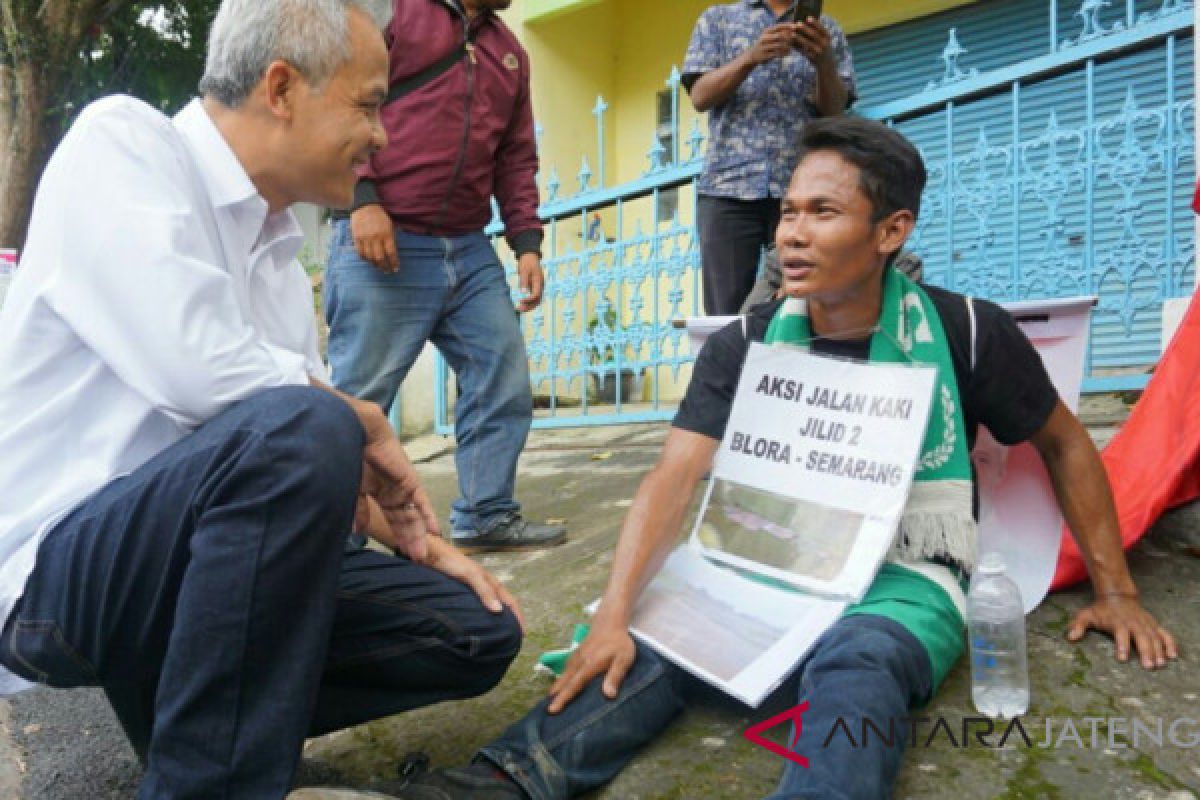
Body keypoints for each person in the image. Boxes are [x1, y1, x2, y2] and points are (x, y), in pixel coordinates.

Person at [379, 117, 1178, 800]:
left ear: (891, 231)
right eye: (788, 211)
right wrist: (615, 614)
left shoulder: (969, 332)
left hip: (903, 579)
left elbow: (1066, 444)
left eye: (823, 212)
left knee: (861, 663)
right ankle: (498, 783)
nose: (791, 233)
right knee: (644, 651)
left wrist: (1116, 589)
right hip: (761, 557)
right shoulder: (749, 342)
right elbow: (674, 476)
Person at [0, 1, 524, 796]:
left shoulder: (280, 257)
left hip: (199, 567)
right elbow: (206, 377)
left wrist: (416, 537)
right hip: (57, 577)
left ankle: (200, 731)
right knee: (306, 421)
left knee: (474, 630)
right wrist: (361, 421)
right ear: (281, 88)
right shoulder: (123, 145)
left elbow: (292, 458)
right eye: (370, 103)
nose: (382, 134)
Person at [324, 0, 565, 553]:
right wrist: (359, 197)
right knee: (359, 400)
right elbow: (343, 99)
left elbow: (515, 154)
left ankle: (486, 514)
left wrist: (526, 240)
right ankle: (332, 540)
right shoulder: (397, 14)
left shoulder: (509, 53)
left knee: (501, 373)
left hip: (468, 243)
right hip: (386, 235)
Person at [684, 0, 856, 315]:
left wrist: (823, 63)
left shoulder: (826, 30)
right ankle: (731, 365)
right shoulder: (718, 19)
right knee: (726, 310)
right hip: (728, 187)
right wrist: (750, 57)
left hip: (801, 193)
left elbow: (835, 111)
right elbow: (700, 96)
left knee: (804, 301)